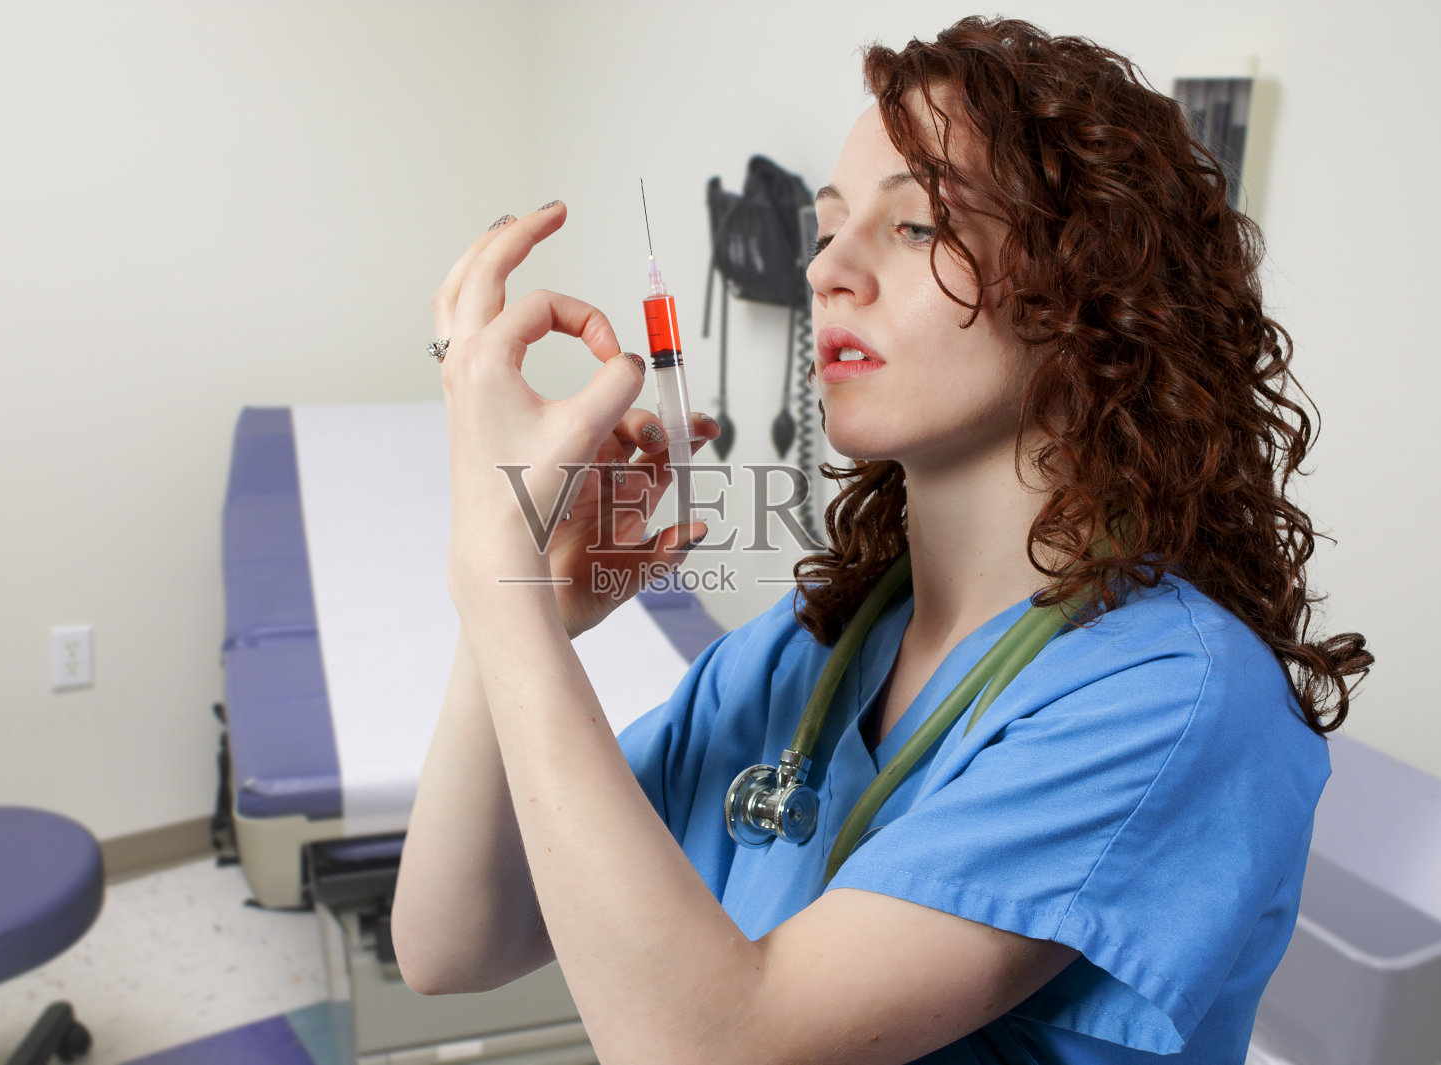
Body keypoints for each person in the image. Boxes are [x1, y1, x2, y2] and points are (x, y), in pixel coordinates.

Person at [390, 16, 1372, 1065]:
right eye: (826, 228)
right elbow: (454, 943)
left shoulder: (1175, 698)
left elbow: (713, 1050)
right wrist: (518, 601)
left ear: (1088, 295)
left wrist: (494, 571)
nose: (824, 274)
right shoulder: (810, 651)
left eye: (915, 228)